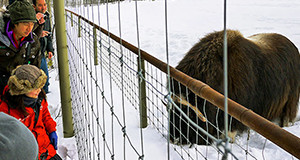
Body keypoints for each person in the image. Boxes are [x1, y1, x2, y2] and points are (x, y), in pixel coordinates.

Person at [0, 64, 62, 160]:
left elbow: (45, 115)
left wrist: (52, 130)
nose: (39, 90)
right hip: (27, 153)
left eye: (40, 86)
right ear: (22, 90)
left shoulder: (39, 98)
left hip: (46, 148)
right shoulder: (6, 110)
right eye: (35, 88)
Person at [0, 0, 45, 94]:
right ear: (14, 23)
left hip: (23, 93)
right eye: (25, 24)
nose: (29, 28)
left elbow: (35, 70)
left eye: (32, 24)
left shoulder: (33, 41)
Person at [33, 0, 54, 93]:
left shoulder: (47, 16)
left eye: (45, 5)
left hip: (42, 51)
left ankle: (45, 98)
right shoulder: (31, 18)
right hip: (33, 52)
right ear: (34, 7)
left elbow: (49, 34)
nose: (43, 7)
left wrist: (50, 50)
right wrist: (38, 34)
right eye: (40, 5)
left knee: (45, 78)